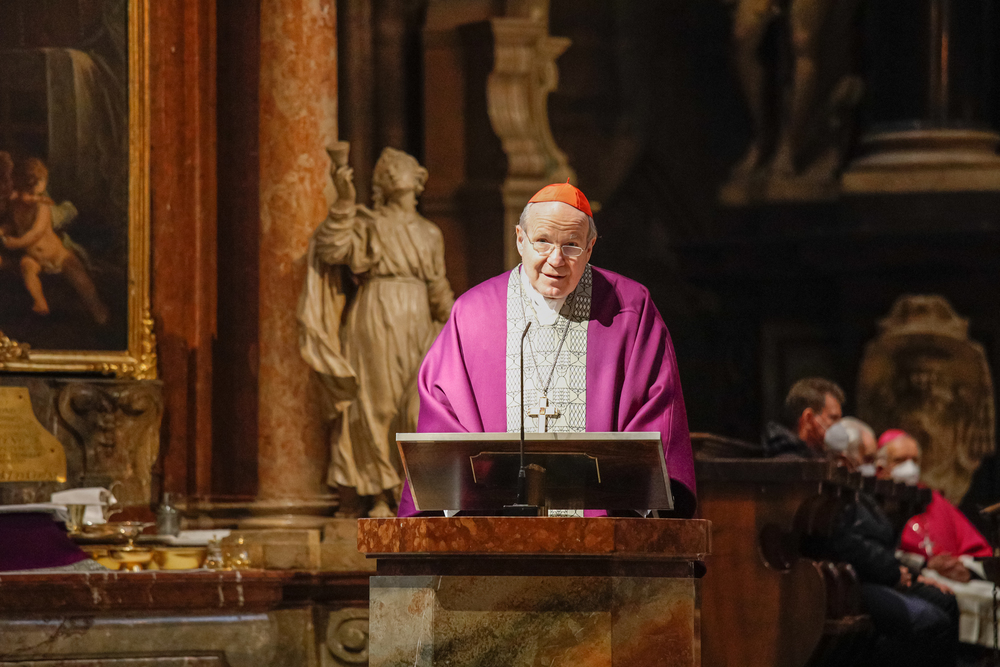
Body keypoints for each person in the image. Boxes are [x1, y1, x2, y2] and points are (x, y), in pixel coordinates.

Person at [396, 181, 695, 517]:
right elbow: (442, 417)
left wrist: (626, 495)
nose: (556, 260)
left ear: (591, 247)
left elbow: (658, 412)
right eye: (543, 242)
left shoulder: (630, 310)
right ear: (520, 239)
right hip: (492, 534)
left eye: (571, 246)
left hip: (602, 534)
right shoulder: (473, 313)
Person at [299, 147, 454, 518]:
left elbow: (438, 287)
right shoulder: (368, 224)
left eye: (404, 165)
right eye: (391, 168)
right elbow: (332, 248)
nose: (398, 171)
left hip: (418, 321)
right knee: (376, 406)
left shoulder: (430, 233)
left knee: (415, 407)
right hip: (375, 318)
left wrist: (460, 325)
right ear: (383, 182)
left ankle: (413, 489)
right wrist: (345, 201)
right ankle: (379, 493)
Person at [0, 157, 108, 325]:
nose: (35, 198)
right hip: (35, 258)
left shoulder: (43, 208)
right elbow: (12, 225)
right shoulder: (15, 207)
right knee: (26, 266)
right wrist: (3, 230)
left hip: (57, 256)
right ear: (19, 188)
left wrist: (16, 243)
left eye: (40, 194)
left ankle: (98, 310)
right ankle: (40, 302)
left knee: (80, 278)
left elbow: (36, 233)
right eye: (30, 194)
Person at [877, 429, 992, 583]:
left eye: (915, 460)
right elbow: (881, 554)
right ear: (880, 467)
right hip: (914, 579)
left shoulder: (932, 498)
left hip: (957, 581)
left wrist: (965, 568)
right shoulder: (877, 503)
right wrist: (925, 565)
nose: (910, 467)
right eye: (900, 460)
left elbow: (976, 549)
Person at [761, 377, 843, 458]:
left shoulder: (809, 458)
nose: (840, 427)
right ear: (808, 418)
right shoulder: (790, 463)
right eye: (833, 418)